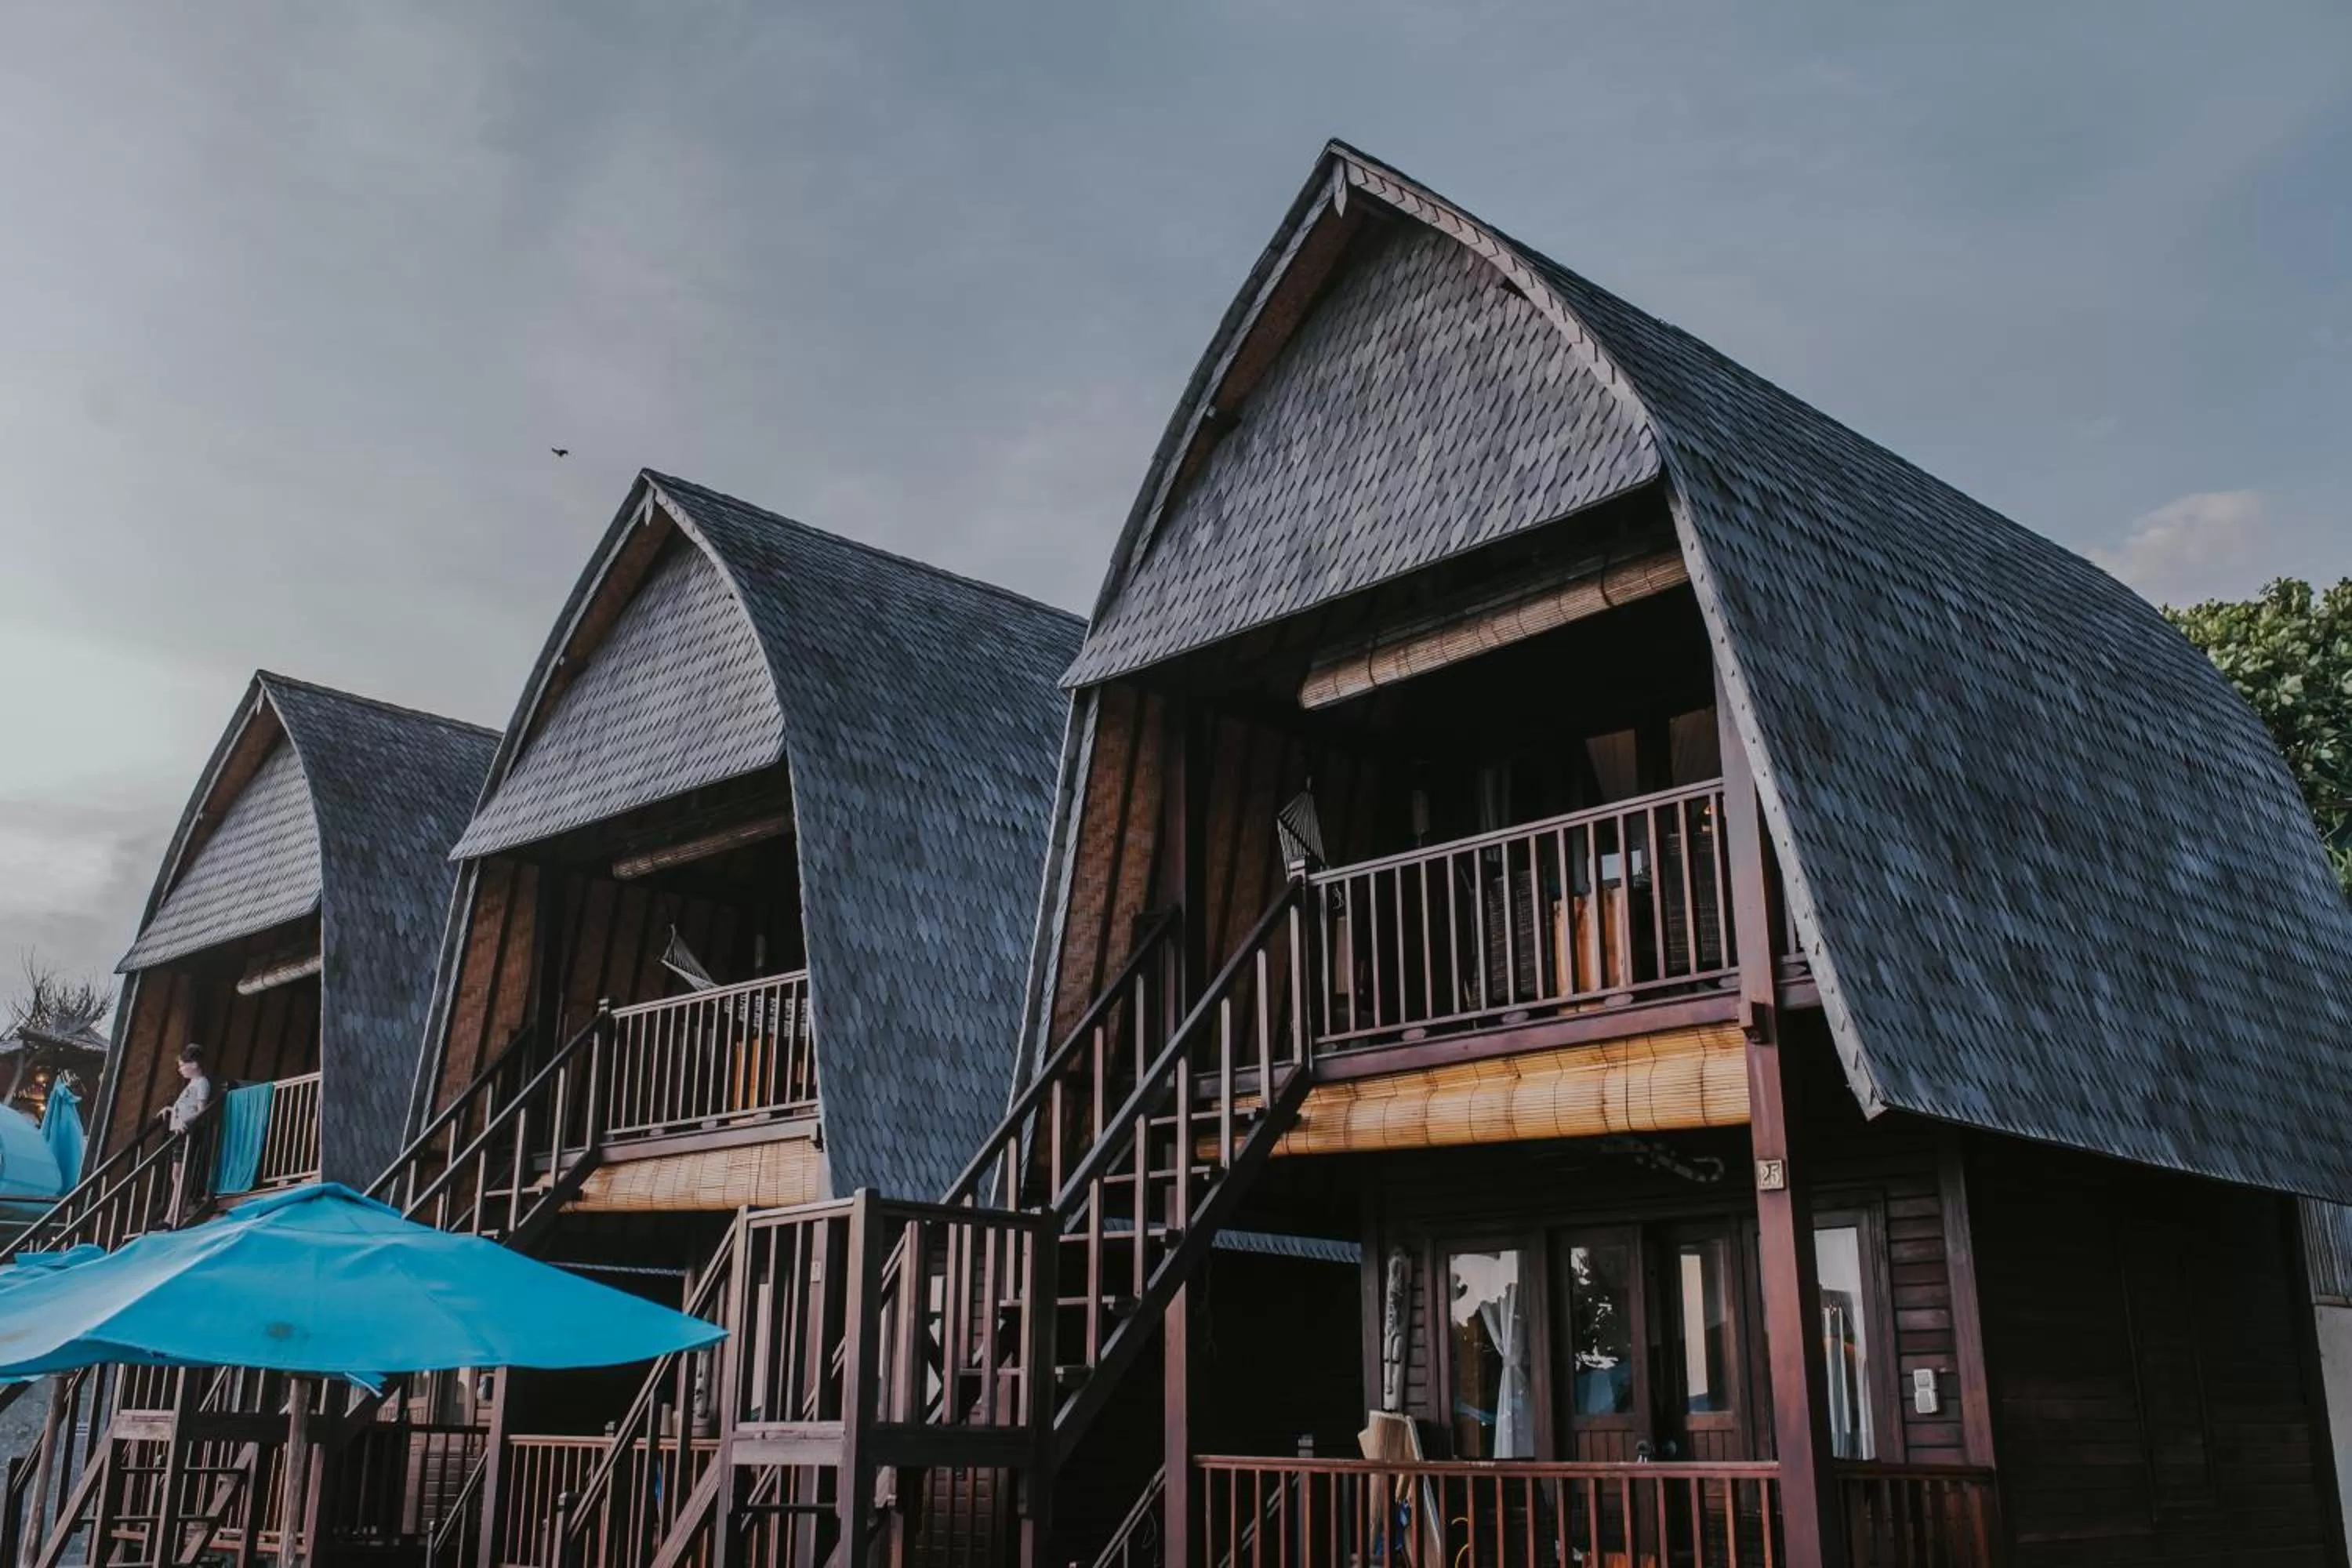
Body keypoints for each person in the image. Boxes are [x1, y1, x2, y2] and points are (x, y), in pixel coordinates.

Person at [160, 1044, 214, 1134]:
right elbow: (187, 1106)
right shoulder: (193, 1083)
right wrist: (171, 1109)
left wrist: (187, 1122)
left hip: (187, 1130)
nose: (180, 1070)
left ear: (194, 1065)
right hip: (178, 1129)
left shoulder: (202, 1083)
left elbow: (201, 1111)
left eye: (182, 1066)